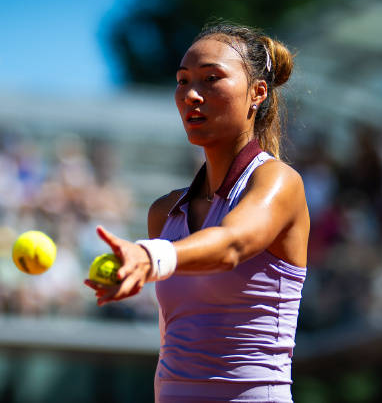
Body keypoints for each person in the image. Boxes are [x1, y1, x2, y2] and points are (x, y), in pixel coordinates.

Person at [85, 22, 309, 402]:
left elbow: (232, 245)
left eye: (211, 79)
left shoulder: (279, 181)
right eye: (182, 81)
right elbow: (170, 341)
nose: (190, 94)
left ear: (257, 93)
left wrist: (151, 256)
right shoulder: (163, 213)